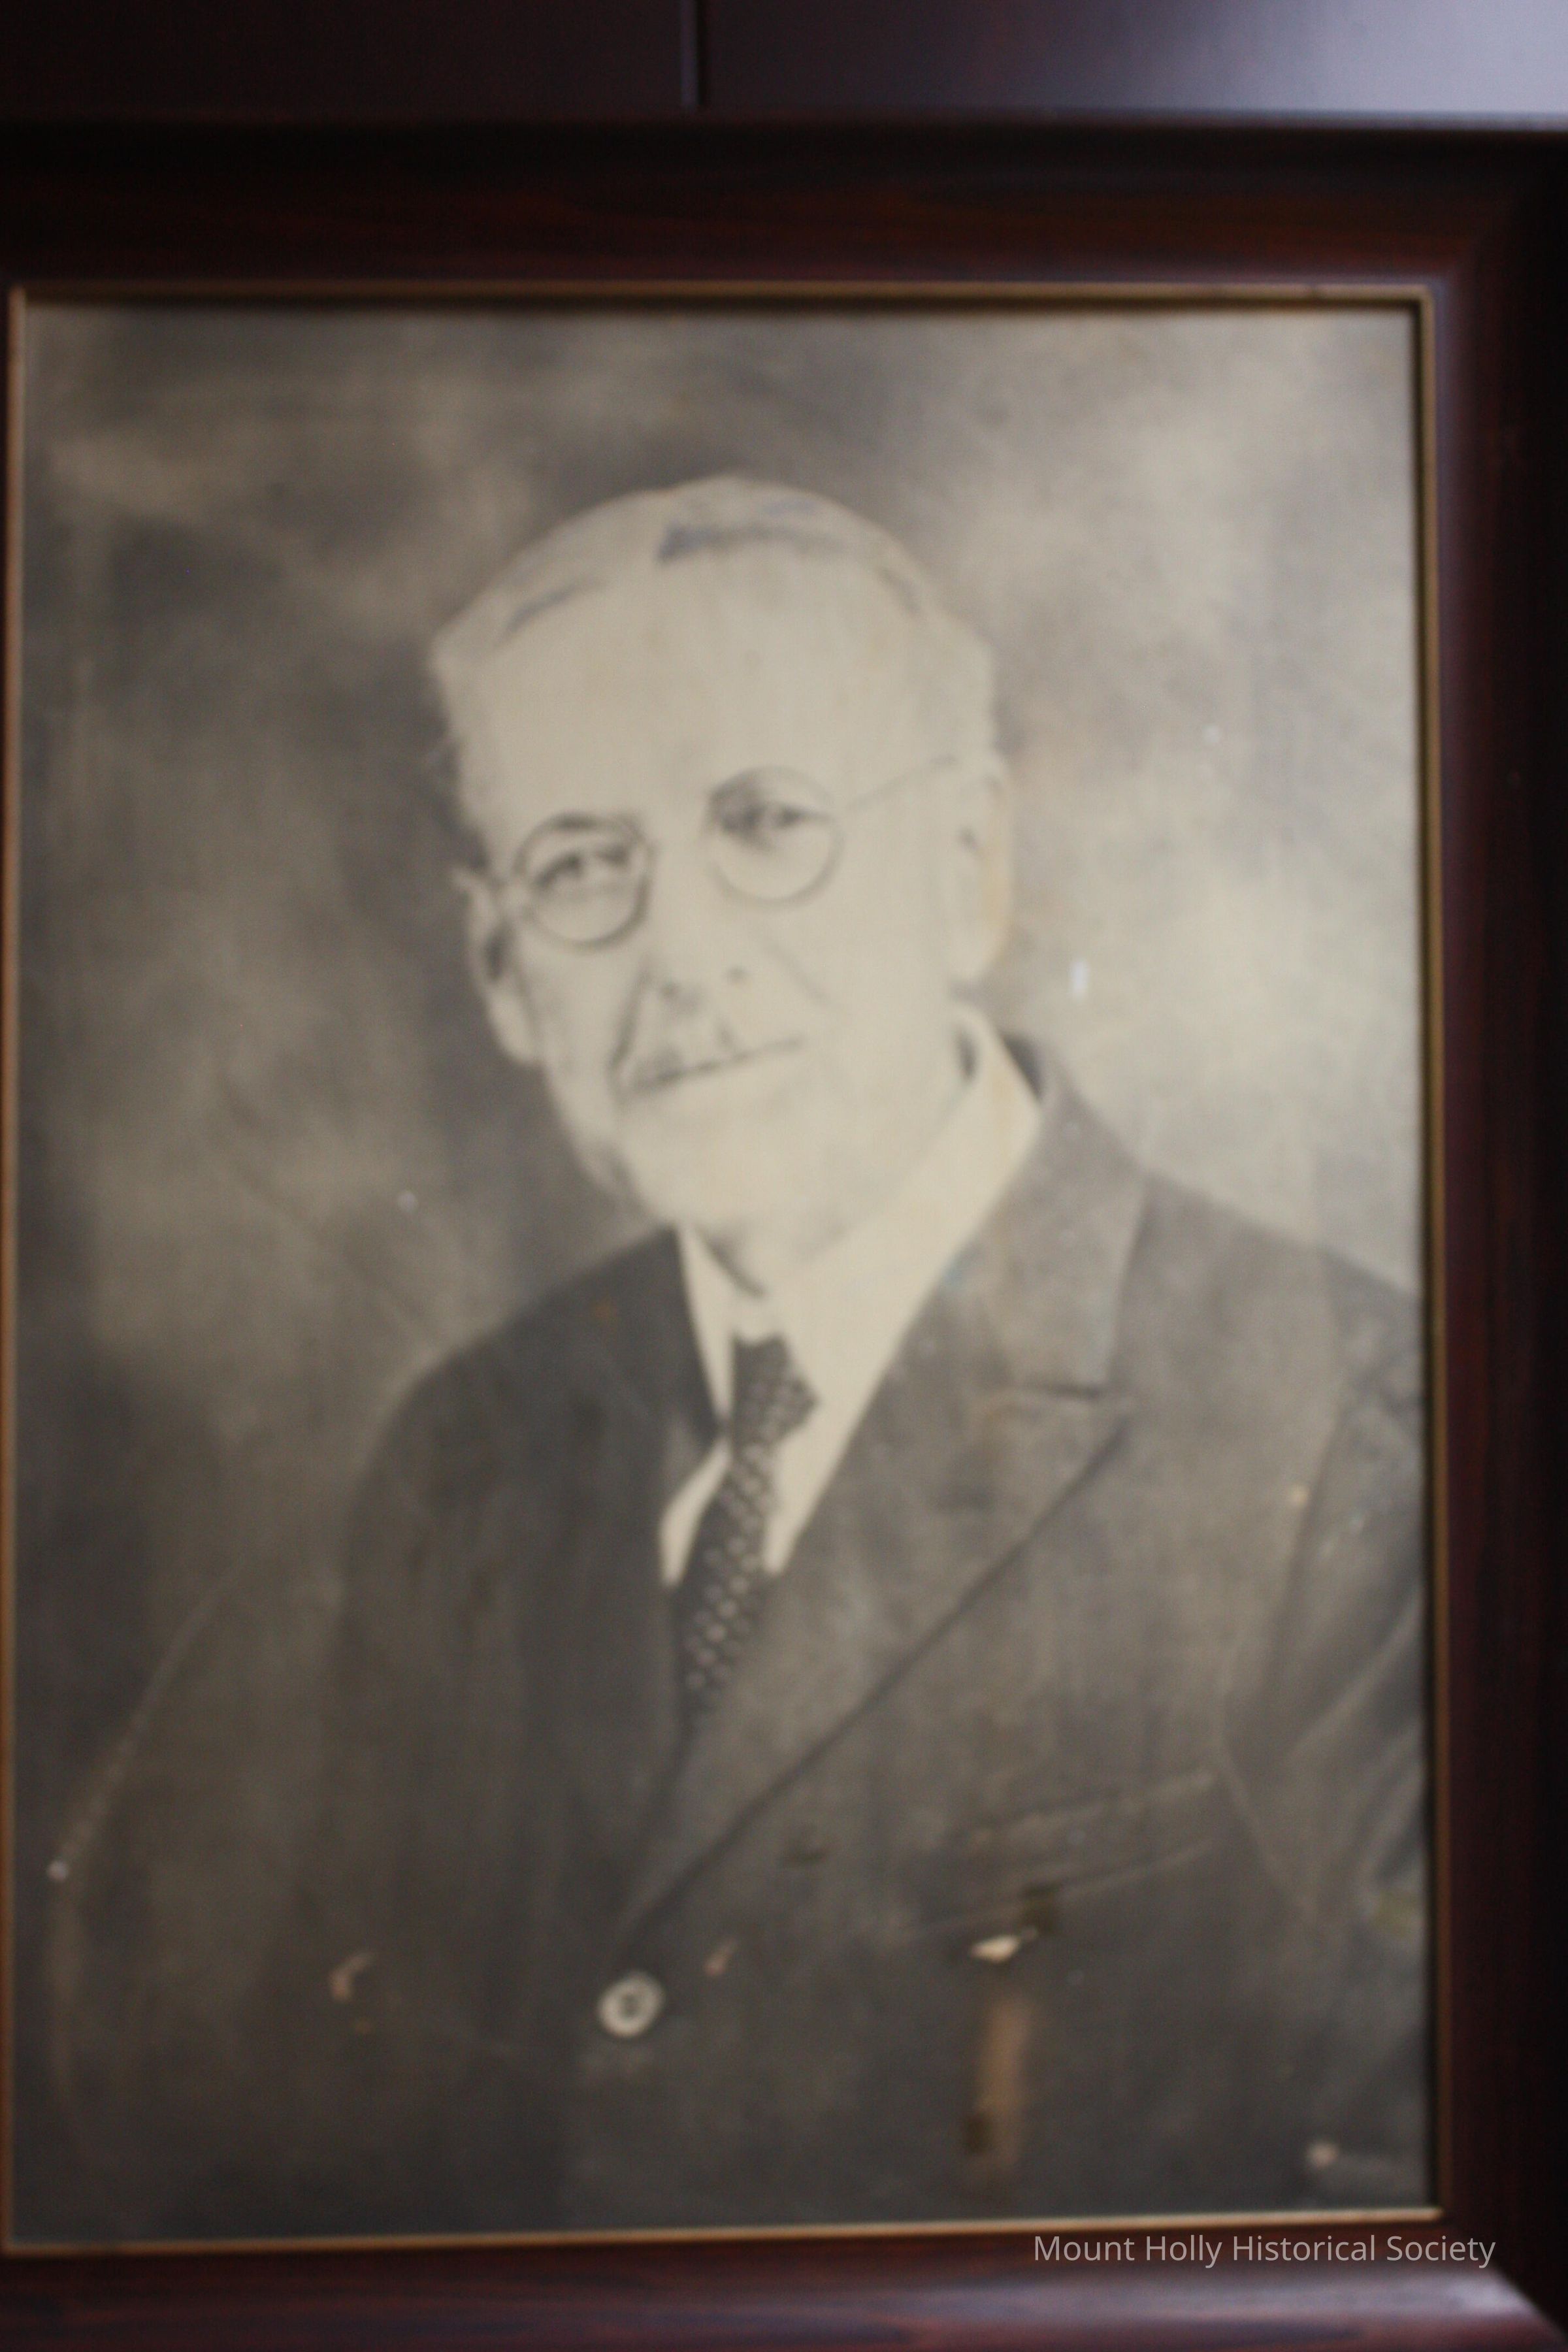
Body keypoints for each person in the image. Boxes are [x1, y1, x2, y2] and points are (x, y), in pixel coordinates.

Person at [214, 478, 1429, 2234]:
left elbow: (1410, 2241)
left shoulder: (1355, 1436)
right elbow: (328, 2188)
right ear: (502, 972)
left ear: (969, 871)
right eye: (582, 867)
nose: (683, 956)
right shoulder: (460, 1455)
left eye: (767, 822)